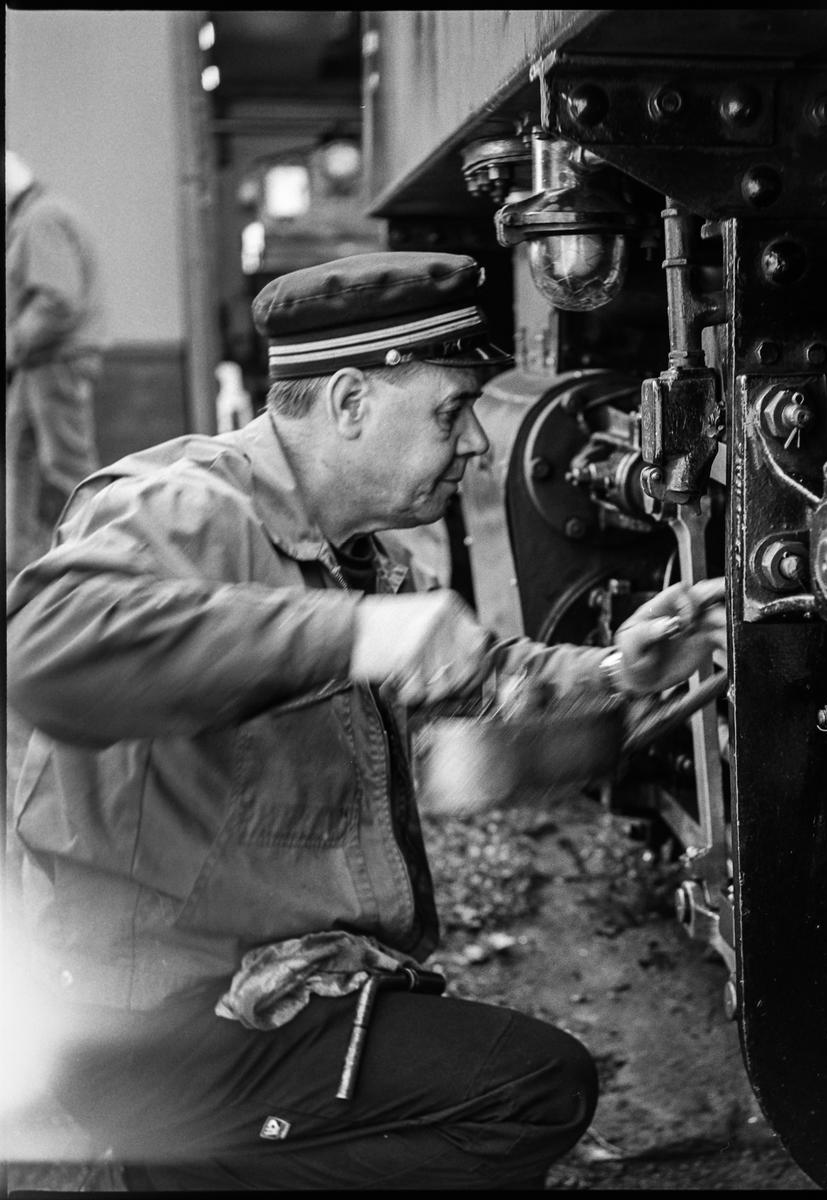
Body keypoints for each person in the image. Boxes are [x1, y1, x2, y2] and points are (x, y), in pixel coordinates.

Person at [5, 251, 727, 1191]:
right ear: (350, 402)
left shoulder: (349, 553)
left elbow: (475, 672)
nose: (474, 444)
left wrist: (618, 668)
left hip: (226, 987)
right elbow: (43, 649)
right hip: (149, 1022)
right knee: (529, 1091)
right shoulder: (186, 507)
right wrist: (351, 635)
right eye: (450, 409)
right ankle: (176, 1167)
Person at [5, 149, 106, 583]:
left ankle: (102, 560)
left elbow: (56, 299)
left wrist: (11, 344)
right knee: (21, 455)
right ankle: (21, 561)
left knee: (67, 466)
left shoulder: (39, 219)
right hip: (40, 362)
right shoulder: (43, 214)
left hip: (54, 360)